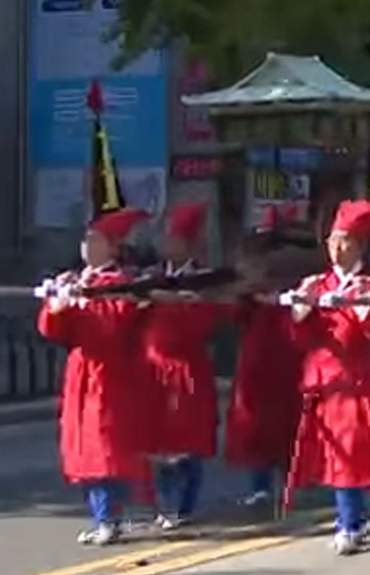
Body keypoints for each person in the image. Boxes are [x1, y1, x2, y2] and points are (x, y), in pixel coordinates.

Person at [283, 199, 370, 556]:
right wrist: (301, 312)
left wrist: (362, 308)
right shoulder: (315, 283)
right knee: (331, 455)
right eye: (332, 240)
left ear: (359, 245)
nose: (336, 248)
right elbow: (299, 338)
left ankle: (348, 522)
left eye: (344, 240)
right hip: (321, 383)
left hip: (354, 381)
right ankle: (356, 515)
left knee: (347, 453)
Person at [39, 208, 156, 546]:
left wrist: (84, 305)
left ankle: (110, 517)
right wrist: (57, 307)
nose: (87, 247)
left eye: (96, 241)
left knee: (105, 448)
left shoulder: (120, 284)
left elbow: (114, 326)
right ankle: (100, 516)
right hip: (82, 372)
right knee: (82, 448)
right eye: (86, 240)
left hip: (111, 373)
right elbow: (54, 331)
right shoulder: (77, 280)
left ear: (113, 247)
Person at [143, 201, 225, 529]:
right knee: (157, 443)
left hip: (187, 370)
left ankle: (184, 504)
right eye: (166, 237)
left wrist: (174, 304)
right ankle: (164, 504)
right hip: (152, 370)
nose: (168, 244)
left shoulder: (202, 281)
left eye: (175, 238)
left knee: (185, 441)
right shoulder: (152, 277)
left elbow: (203, 324)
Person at [225, 206, 305, 509]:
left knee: (286, 422)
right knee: (255, 424)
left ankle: (289, 481)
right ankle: (261, 485)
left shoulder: (293, 276)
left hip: (286, 358)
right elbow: (236, 316)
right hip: (256, 360)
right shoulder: (249, 283)